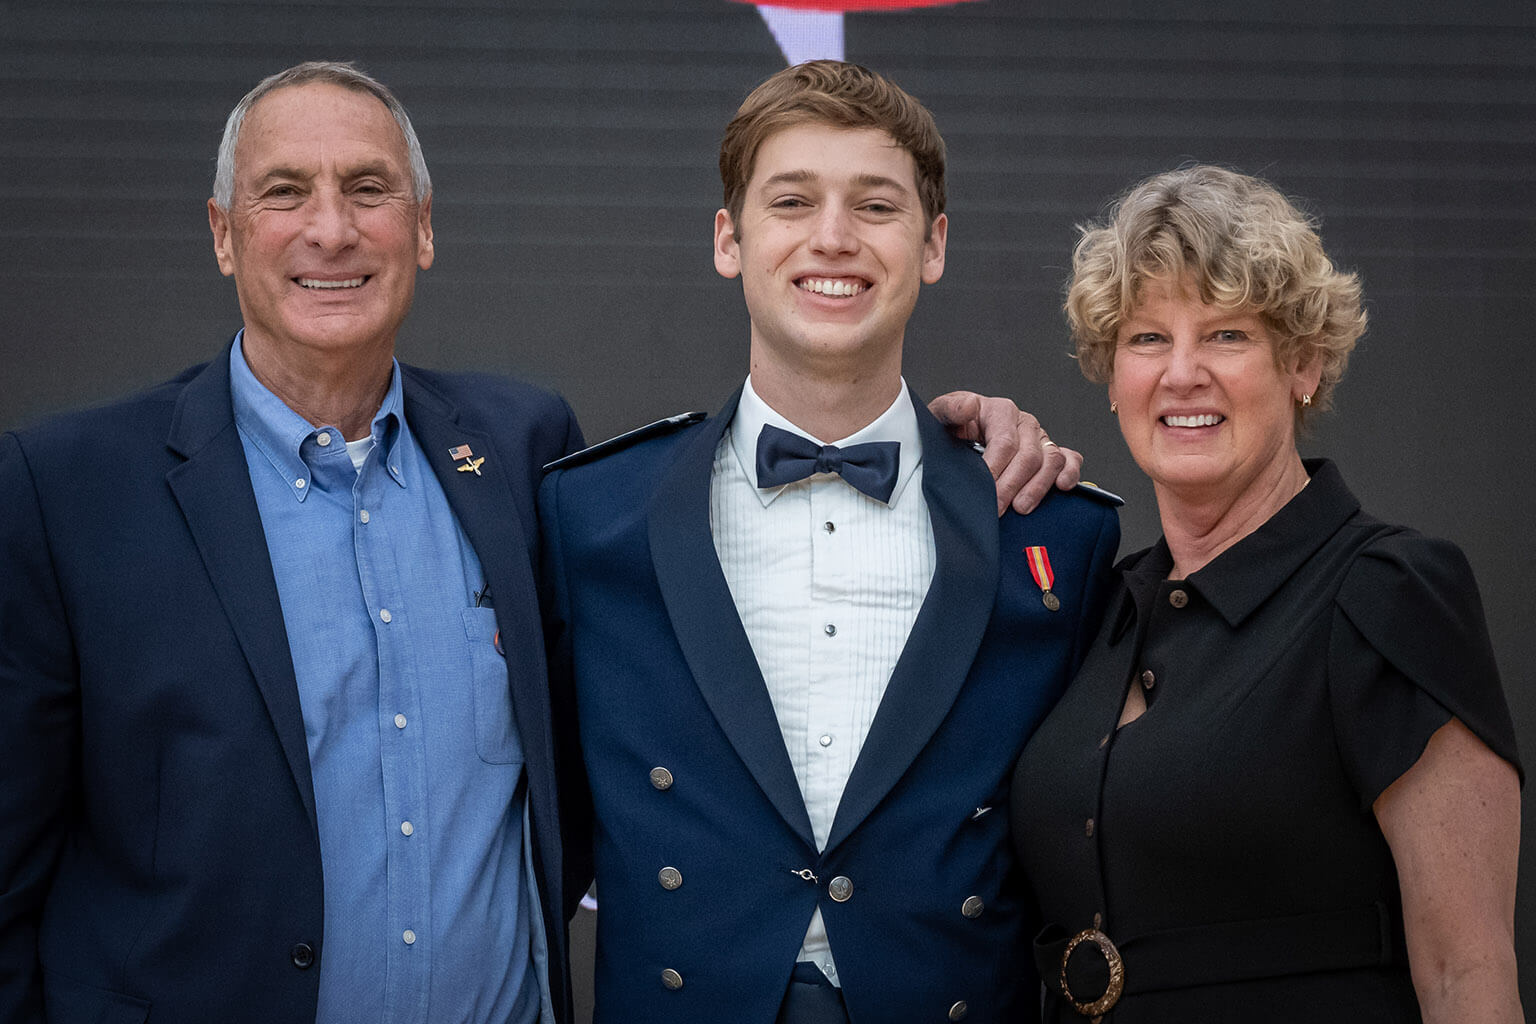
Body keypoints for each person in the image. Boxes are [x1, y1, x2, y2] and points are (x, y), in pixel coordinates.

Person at [0, 60, 1074, 1024]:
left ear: (421, 227)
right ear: (223, 230)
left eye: (368, 190)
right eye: (284, 192)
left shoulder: (528, 460)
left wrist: (976, 439)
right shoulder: (68, 491)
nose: (331, 229)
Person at [539, 60, 1122, 1024]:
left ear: (933, 245)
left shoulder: (1053, 526)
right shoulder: (587, 514)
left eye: (876, 206)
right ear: (731, 240)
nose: (834, 238)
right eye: (793, 200)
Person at [1011, 165, 1523, 1023]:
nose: (1181, 374)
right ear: (1110, 376)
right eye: (1146, 339)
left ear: (1305, 364)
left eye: (1226, 336)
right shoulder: (1100, 613)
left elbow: (1467, 978)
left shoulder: (1386, 593)